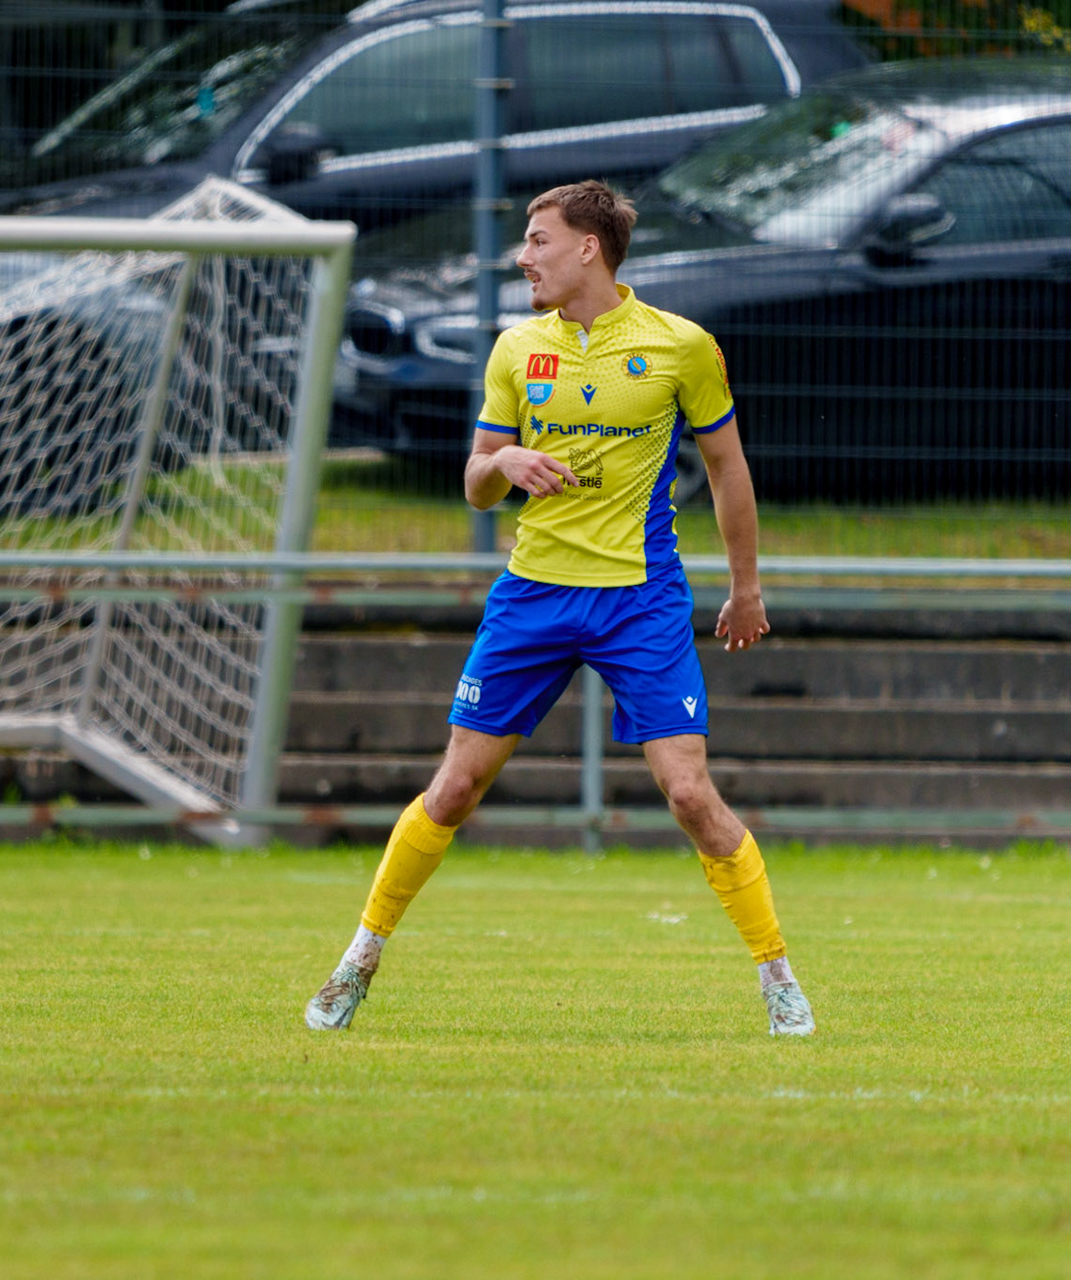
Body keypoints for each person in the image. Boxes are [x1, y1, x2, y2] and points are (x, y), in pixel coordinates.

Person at [304, 180, 814, 1038]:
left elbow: (728, 470)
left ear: (588, 247)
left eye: (538, 240)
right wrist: (504, 468)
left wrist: (747, 587)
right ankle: (358, 959)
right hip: (533, 594)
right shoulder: (515, 348)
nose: (523, 255)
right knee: (456, 785)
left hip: (640, 601)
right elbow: (472, 483)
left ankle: (779, 979)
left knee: (689, 794)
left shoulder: (680, 346)